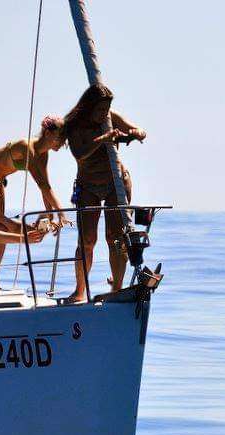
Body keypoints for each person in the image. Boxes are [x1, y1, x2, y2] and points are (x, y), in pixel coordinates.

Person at [63, 83, 146, 303]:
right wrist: (103, 140)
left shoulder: (110, 117)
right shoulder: (74, 124)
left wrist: (137, 133)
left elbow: (138, 130)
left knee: (115, 238)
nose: (103, 114)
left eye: (107, 109)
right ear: (89, 107)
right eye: (100, 110)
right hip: (88, 184)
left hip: (115, 182)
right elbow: (79, 153)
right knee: (87, 240)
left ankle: (116, 288)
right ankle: (79, 290)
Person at [0, 115, 68, 223]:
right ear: (47, 133)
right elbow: (42, 185)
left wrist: (50, 215)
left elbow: (45, 187)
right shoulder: (27, 147)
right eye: (59, 138)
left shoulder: (43, 155)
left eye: (64, 140)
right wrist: (61, 213)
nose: (62, 143)